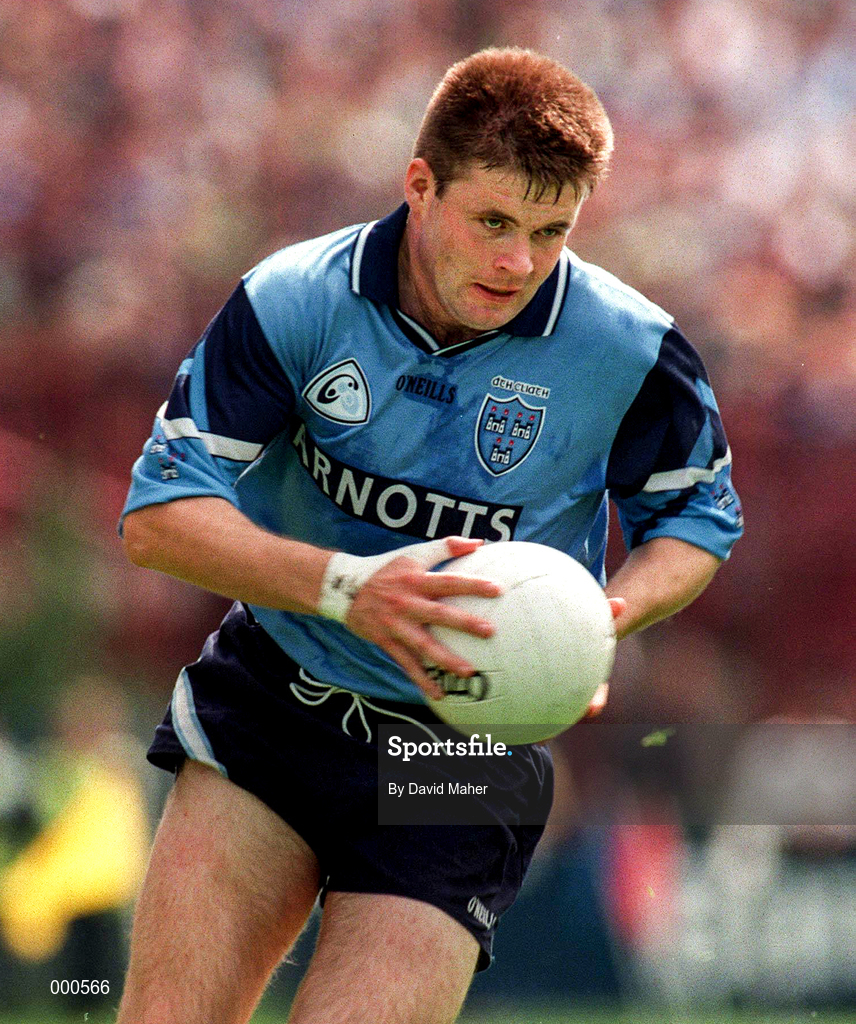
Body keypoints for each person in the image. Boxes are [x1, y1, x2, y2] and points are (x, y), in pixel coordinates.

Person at [117, 47, 742, 1024]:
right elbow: (160, 521)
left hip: (460, 754)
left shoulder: (629, 348)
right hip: (279, 700)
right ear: (420, 185)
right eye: (493, 220)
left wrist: (600, 615)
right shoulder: (295, 301)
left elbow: (697, 520)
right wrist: (345, 588)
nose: (518, 263)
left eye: (550, 231)